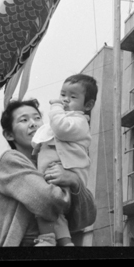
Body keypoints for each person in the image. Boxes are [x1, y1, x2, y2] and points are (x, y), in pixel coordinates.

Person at [0, 97, 97, 247]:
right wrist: (71, 188)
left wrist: (74, 181)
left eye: (37, 118)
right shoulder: (11, 161)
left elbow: (87, 218)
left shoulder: (51, 161)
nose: (33, 124)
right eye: (24, 120)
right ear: (9, 135)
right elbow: (49, 201)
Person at [31, 74, 97, 246]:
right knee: (56, 213)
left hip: (63, 171)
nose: (65, 100)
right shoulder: (60, 120)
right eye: (62, 94)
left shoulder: (79, 121)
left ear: (88, 105)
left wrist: (55, 108)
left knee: (44, 202)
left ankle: (47, 239)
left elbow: (60, 128)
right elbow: (45, 136)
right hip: (52, 173)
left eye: (73, 97)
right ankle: (66, 243)